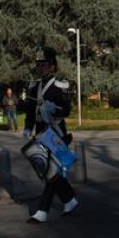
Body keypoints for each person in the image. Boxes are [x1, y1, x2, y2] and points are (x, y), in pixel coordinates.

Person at [21, 46, 79, 223]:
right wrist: (28, 126)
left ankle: (42, 210)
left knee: (50, 171)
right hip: (40, 132)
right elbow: (30, 110)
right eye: (38, 65)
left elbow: (67, 110)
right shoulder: (33, 86)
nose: (41, 68)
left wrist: (55, 109)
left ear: (53, 66)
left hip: (56, 131)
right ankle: (70, 199)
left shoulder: (60, 85)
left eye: (44, 64)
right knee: (51, 171)